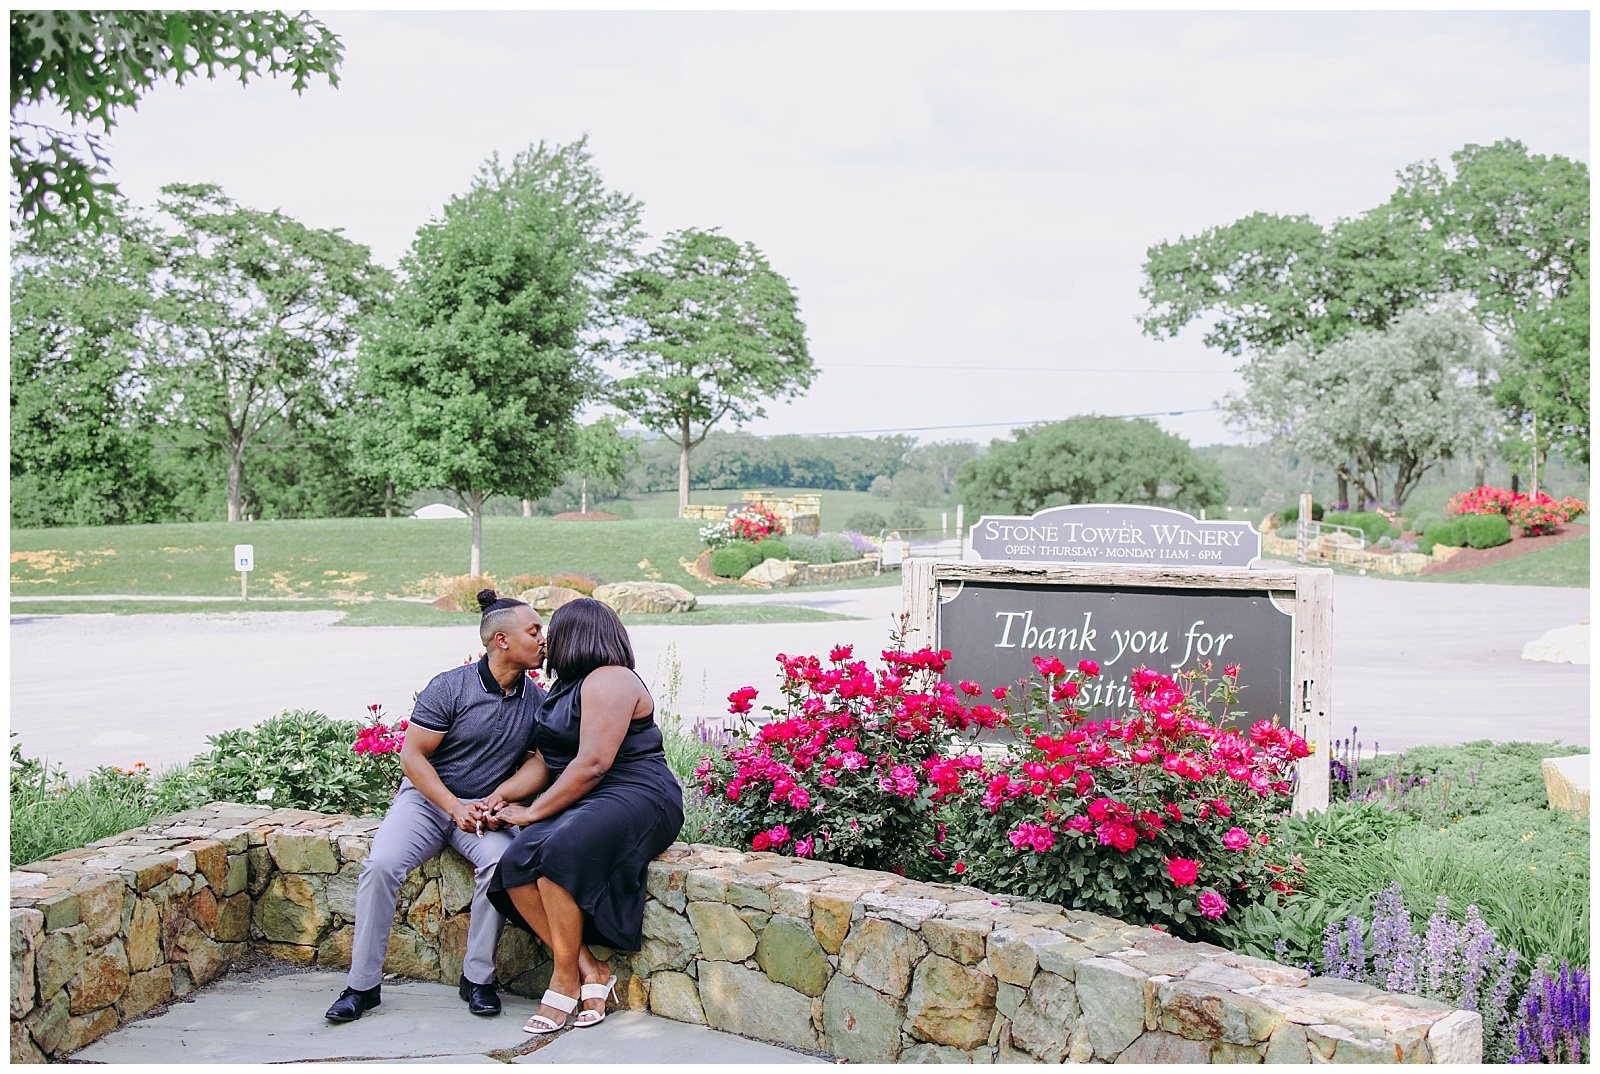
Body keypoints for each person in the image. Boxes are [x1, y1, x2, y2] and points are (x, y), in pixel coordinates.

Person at [324, 590, 548, 1024]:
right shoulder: (451, 686)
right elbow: (412, 757)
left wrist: (498, 798)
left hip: (484, 812)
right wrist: (451, 805)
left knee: (502, 863)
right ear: (500, 640)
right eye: (534, 631)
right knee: (382, 865)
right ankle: (362, 986)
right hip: (427, 802)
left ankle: (478, 979)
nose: (544, 639)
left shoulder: (536, 701)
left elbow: (539, 762)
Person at [484, 597, 685, 1034]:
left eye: (552, 632)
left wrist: (534, 812)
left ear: (577, 635)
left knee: (559, 850)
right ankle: (590, 971)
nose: (546, 640)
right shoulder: (563, 688)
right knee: (516, 864)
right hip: (587, 798)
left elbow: (592, 763)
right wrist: (501, 796)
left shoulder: (612, 680)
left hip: (638, 794)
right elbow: (547, 760)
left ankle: (563, 981)